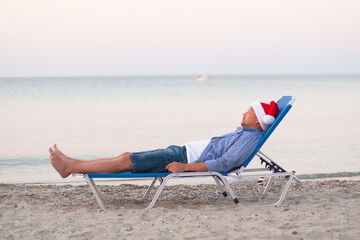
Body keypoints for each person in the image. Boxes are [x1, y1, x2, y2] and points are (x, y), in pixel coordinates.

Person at [49, 100, 279, 178]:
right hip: (181, 152)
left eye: (248, 112)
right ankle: (73, 164)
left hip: (182, 158)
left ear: (258, 121)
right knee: (126, 157)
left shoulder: (250, 138)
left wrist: (185, 167)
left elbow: (226, 163)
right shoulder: (248, 133)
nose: (243, 113)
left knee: (126, 160)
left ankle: (70, 167)